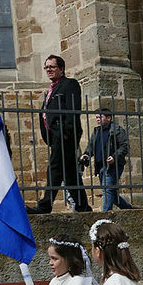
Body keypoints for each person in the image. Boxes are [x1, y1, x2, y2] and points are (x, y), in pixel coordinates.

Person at [29, 55, 88, 214]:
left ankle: (45, 206)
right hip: (56, 137)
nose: (49, 69)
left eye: (52, 67)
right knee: (70, 175)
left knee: (54, 169)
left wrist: (66, 133)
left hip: (64, 136)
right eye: (46, 67)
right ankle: (84, 207)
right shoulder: (52, 89)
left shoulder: (69, 84)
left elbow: (72, 109)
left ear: (61, 69)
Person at [82, 108, 132, 212]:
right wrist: (86, 155)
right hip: (100, 166)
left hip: (113, 166)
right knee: (111, 192)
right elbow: (90, 147)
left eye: (100, 117)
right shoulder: (96, 132)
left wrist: (114, 157)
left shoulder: (117, 130)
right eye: (96, 117)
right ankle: (129, 209)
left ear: (108, 118)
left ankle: (106, 214)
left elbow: (124, 146)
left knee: (107, 190)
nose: (97, 119)